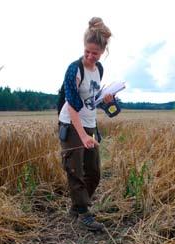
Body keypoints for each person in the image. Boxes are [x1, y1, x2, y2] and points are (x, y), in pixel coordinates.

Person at [58, 17, 113, 231]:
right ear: (84, 47)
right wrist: (82, 136)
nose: (90, 56)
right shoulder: (74, 69)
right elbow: (72, 105)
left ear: (102, 52)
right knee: (74, 171)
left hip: (90, 124)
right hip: (72, 125)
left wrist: (107, 100)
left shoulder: (99, 69)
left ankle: (78, 207)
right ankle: (84, 214)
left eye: (95, 53)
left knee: (94, 172)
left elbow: (93, 99)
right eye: (87, 51)